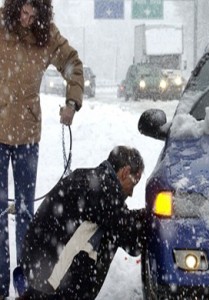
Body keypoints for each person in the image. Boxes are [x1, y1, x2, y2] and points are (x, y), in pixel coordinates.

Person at [0, 0, 84, 298]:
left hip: (26, 135)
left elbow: (72, 63)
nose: (26, 18)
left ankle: (24, 284)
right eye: (22, 12)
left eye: (33, 14)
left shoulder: (46, 35)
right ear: (13, 8)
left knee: (26, 213)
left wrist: (72, 103)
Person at [18, 145, 145, 299]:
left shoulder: (90, 177)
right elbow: (131, 241)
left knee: (108, 228)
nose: (131, 193)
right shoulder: (104, 191)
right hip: (47, 273)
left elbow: (121, 219)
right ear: (125, 172)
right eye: (133, 184)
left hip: (35, 260)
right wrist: (152, 216)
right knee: (110, 234)